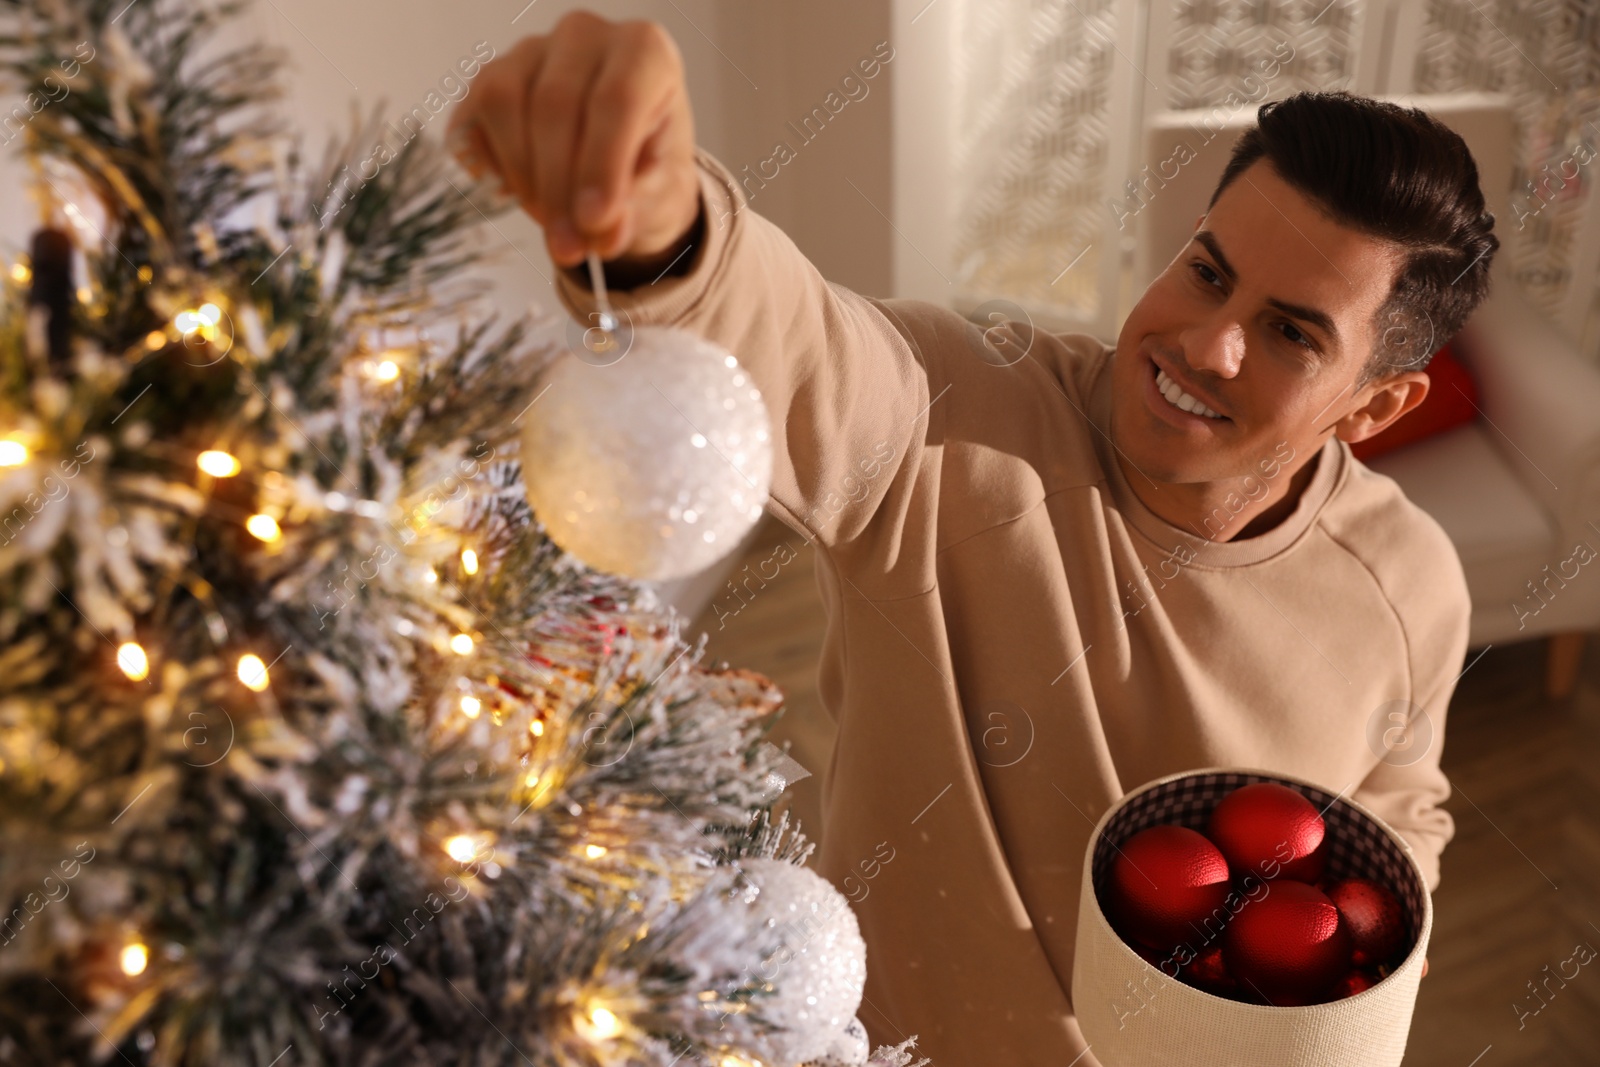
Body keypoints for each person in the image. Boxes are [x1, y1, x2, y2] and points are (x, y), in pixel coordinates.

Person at [447, 11, 1496, 1063]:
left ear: (1374, 407)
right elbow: (803, 345)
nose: (1206, 343)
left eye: (1290, 333)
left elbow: (1400, 807)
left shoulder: (1410, 583)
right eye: (1208, 271)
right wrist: (661, 220)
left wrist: (1335, 1003)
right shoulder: (961, 415)